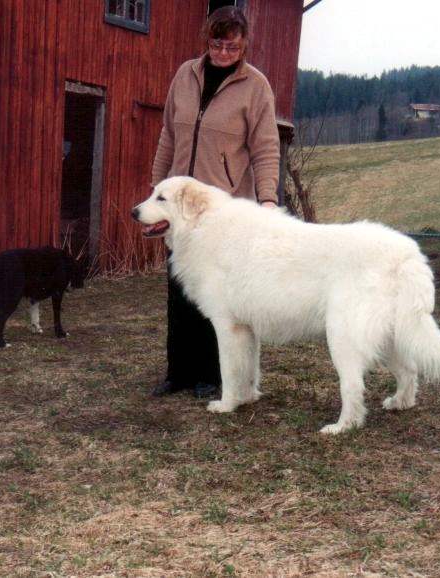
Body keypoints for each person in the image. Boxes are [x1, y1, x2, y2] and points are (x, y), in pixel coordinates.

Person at [149, 6, 281, 397]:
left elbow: (266, 147)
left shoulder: (256, 87)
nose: (223, 52)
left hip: (222, 213)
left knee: (218, 293)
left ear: (244, 45)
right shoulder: (185, 75)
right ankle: (179, 371)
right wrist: (158, 190)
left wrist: (269, 198)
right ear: (207, 41)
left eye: (232, 46)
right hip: (180, 211)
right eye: (217, 44)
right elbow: (167, 136)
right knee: (180, 288)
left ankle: (212, 374)